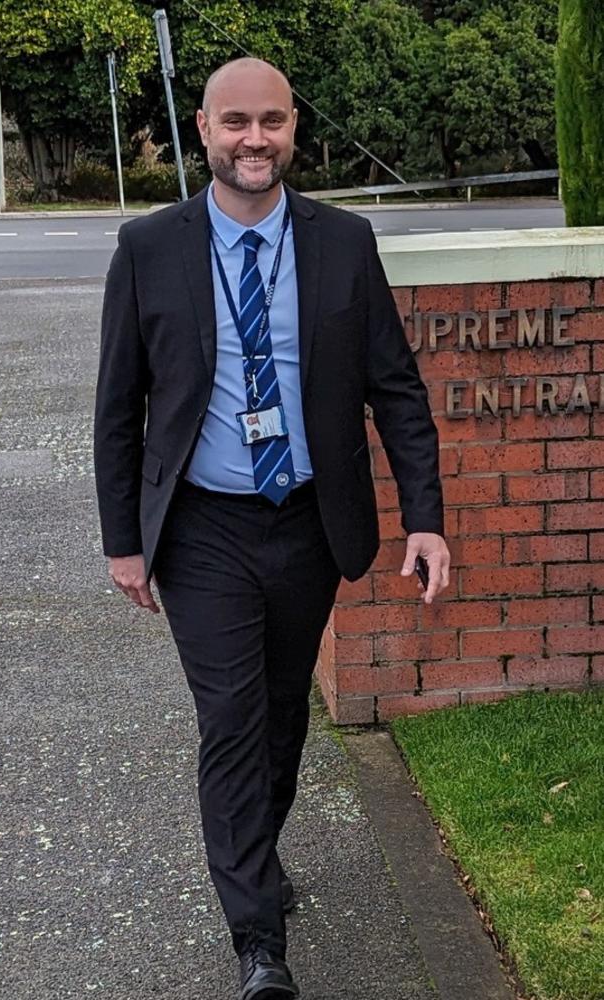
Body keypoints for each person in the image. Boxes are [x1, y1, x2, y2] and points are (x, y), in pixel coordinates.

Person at [94, 56, 450, 1000]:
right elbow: (117, 406)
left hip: (306, 521)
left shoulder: (343, 240)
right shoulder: (147, 246)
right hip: (202, 527)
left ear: (296, 128)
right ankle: (258, 940)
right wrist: (123, 540)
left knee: (284, 712)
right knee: (231, 719)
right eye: (236, 123)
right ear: (204, 131)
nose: (256, 140)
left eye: (273, 122)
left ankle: (256, 850)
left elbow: (397, 392)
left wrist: (426, 519)